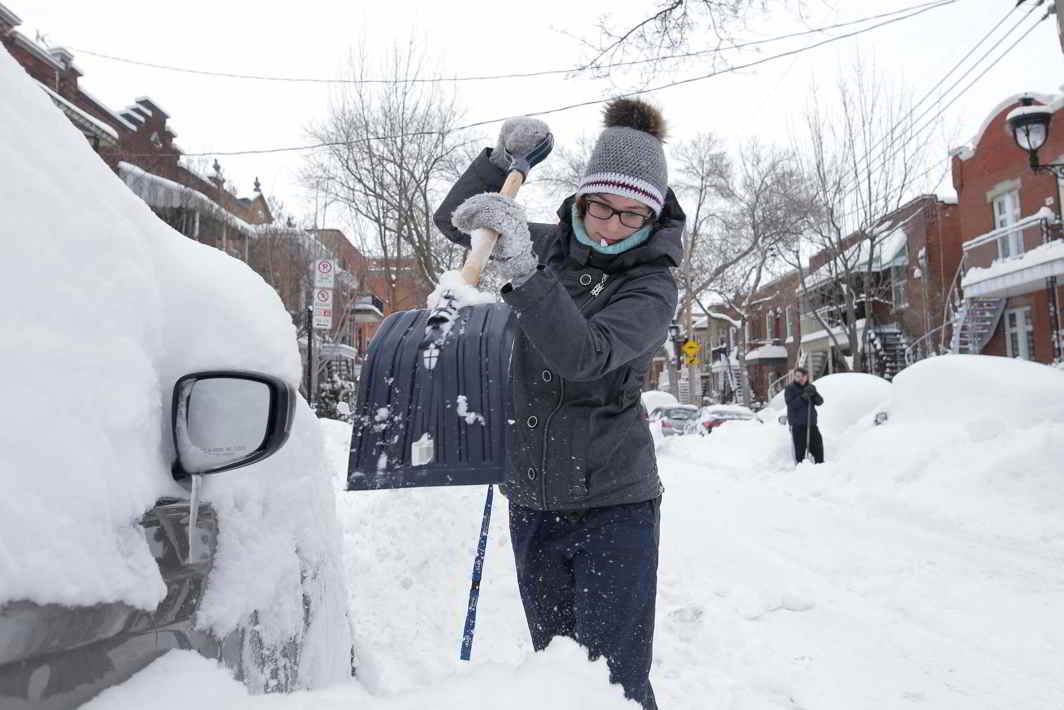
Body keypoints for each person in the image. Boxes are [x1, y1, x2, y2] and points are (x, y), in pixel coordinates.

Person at [434, 98, 684, 710]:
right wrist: (499, 164)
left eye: (631, 215)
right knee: (557, 679)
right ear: (582, 197)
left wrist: (522, 269)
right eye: (601, 206)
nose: (609, 226)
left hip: (612, 506)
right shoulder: (546, 247)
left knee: (613, 685)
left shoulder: (651, 287)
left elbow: (587, 355)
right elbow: (461, 226)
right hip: (532, 498)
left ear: (651, 219)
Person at [784, 367, 825, 464]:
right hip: (798, 425)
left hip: (811, 424)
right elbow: (791, 405)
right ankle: (801, 470)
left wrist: (814, 394)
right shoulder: (790, 389)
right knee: (800, 451)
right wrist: (803, 397)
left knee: (818, 447)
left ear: (806, 377)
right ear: (795, 377)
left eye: (803, 376)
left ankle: (821, 467)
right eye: (798, 376)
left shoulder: (810, 387)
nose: (801, 378)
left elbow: (820, 402)